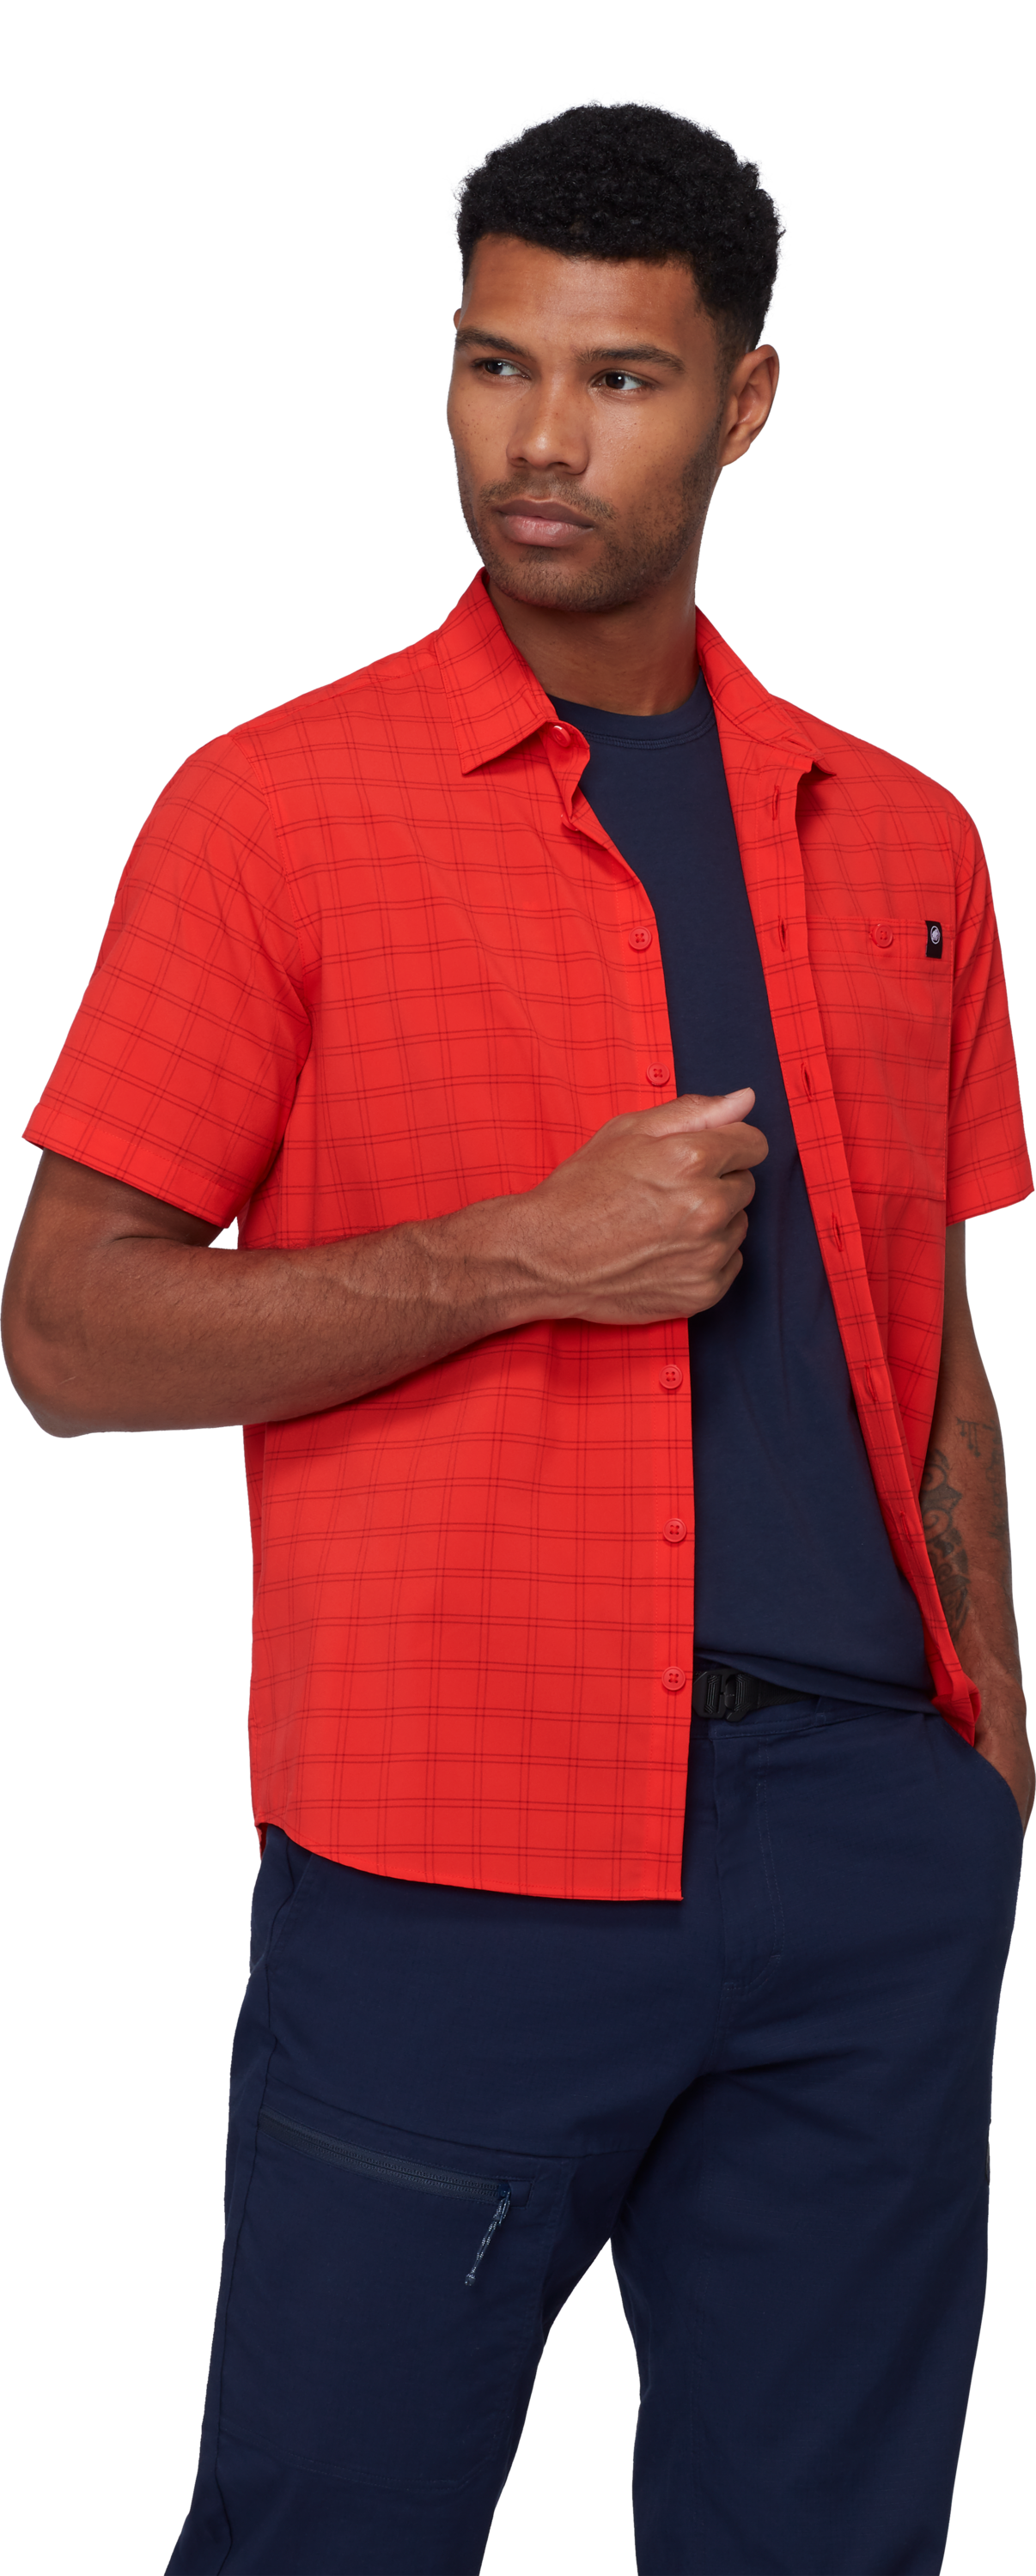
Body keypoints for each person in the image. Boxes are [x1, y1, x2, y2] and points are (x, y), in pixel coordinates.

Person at [3, 91, 1032, 2576]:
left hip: (870, 1851)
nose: (536, 440)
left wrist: (987, 1749)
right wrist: (516, 1259)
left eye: (618, 378)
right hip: (453, 1865)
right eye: (494, 364)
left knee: (825, 2547)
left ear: (747, 400)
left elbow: (933, 1333)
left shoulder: (901, 838)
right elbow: (65, 1334)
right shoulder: (273, 811)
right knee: (325, 2533)